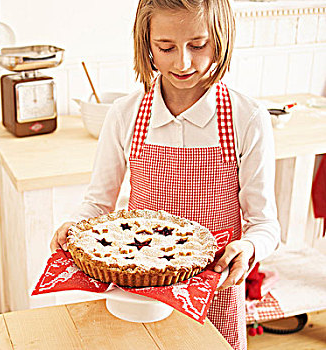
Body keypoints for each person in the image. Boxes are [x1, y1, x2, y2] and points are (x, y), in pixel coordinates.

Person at [50, 0, 280, 349]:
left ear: (221, 39)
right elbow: (98, 204)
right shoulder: (125, 113)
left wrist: (248, 247)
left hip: (212, 292)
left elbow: (265, 224)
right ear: (147, 43)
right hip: (138, 295)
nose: (182, 61)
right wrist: (74, 226)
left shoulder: (246, 118)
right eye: (166, 47)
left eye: (198, 45)